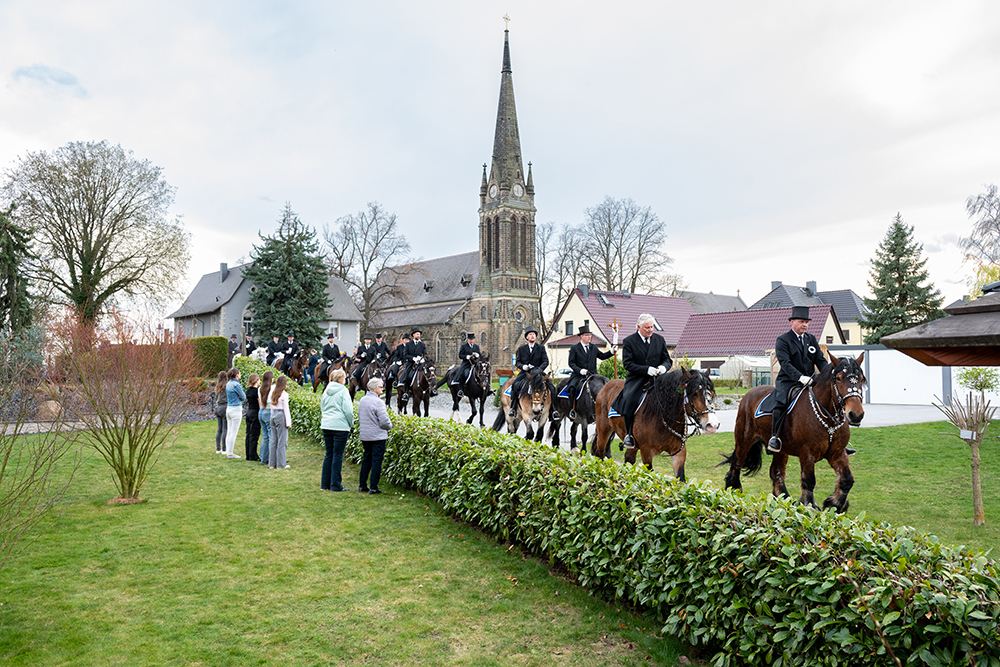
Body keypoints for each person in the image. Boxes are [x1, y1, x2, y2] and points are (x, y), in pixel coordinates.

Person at [768, 305, 831, 454]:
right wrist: (799, 377)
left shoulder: (811, 339)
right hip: (788, 381)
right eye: (802, 322)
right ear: (792, 322)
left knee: (830, 399)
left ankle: (836, 439)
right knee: (780, 403)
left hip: (811, 380)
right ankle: (775, 437)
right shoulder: (783, 340)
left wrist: (829, 374)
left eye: (806, 322)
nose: (805, 325)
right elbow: (785, 363)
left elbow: (820, 360)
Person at [610, 313, 672, 450]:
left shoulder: (659, 339)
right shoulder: (629, 341)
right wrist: (646, 369)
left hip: (658, 377)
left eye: (652, 327)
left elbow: (667, 360)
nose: (650, 330)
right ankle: (629, 434)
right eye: (647, 328)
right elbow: (627, 364)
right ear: (638, 327)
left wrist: (663, 367)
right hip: (637, 379)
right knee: (629, 399)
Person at [565, 325, 614, 420]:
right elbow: (571, 363)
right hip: (578, 375)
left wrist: (611, 352)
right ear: (581, 336)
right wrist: (580, 370)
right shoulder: (575, 348)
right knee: (572, 388)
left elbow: (602, 356)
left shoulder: (593, 347)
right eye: (587, 335)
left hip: (592, 375)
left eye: (590, 335)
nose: (589, 337)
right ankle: (572, 410)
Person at [320, 368, 354, 491]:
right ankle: (335, 484)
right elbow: (348, 411)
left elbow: (322, 407)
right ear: (342, 379)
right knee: (338, 455)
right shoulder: (343, 391)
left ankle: (325, 484)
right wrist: (351, 424)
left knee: (329, 454)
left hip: (326, 424)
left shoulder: (326, 390)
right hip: (340, 426)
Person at [358, 377, 392, 494]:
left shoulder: (362, 400)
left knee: (366, 459)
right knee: (376, 461)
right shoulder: (378, 402)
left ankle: (362, 485)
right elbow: (384, 421)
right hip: (377, 436)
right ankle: (373, 487)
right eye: (381, 387)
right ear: (375, 388)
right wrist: (390, 426)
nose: (382, 389)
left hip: (365, 435)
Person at [508, 326, 548, 418]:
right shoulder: (521, 349)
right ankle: (513, 408)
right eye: (530, 334)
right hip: (525, 373)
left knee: (551, 387)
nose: (532, 336)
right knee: (515, 385)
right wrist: (523, 366)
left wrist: (539, 370)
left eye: (534, 334)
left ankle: (553, 410)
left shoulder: (541, 348)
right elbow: (517, 362)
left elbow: (545, 361)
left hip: (538, 372)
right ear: (527, 337)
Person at [399, 329, 434, 398]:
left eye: (419, 334)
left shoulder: (422, 344)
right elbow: (405, 354)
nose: (419, 336)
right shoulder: (408, 344)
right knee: (407, 374)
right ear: (413, 335)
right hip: (411, 363)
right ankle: (406, 392)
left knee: (428, 373)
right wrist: (413, 358)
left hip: (420, 363)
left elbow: (425, 353)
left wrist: (423, 358)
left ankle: (431, 390)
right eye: (417, 334)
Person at [268, 376, 292, 469]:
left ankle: (272, 463)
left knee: (273, 440)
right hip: (281, 415)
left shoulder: (273, 393)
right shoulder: (284, 394)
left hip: (273, 415)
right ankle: (281, 464)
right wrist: (288, 422)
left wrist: (272, 416)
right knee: (282, 441)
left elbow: (272, 407)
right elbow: (286, 409)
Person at [224, 367, 246, 459]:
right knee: (233, 432)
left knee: (229, 432)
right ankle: (230, 453)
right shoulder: (236, 385)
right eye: (239, 374)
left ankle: (228, 451)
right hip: (236, 409)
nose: (240, 375)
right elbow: (243, 397)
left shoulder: (228, 383)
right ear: (237, 375)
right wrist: (239, 397)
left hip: (229, 408)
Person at [258, 370, 274, 466]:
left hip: (261, 410)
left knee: (265, 436)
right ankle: (272, 458)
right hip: (268, 410)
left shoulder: (259, 389)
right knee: (271, 436)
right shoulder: (272, 388)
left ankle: (264, 458)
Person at [244, 373, 261, 461]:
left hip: (249, 412)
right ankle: (253, 455)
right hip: (255, 413)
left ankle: (248, 454)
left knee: (249, 434)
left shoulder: (248, 391)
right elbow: (259, 403)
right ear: (256, 381)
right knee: (254, 435)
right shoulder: (257, 391)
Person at [213, 370, 229, 454]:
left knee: (219, 429)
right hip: (225, 407)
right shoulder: (226, 386)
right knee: (225, 429)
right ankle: (224, 449)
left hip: (218, 408)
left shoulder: (217, 386)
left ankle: (218, 448)